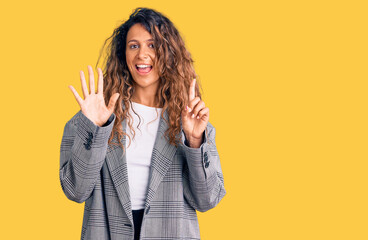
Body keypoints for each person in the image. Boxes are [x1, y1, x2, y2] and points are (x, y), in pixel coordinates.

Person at [60, 7, 226, 240]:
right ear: (123, 55)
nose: (142, 54)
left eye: (153, 45)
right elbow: (75, 191)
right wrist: (96, 129)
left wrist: (195, 141)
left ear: (168, 54)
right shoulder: (95, 116)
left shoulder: (191, 122)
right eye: (134, 45)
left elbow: (208, 200)